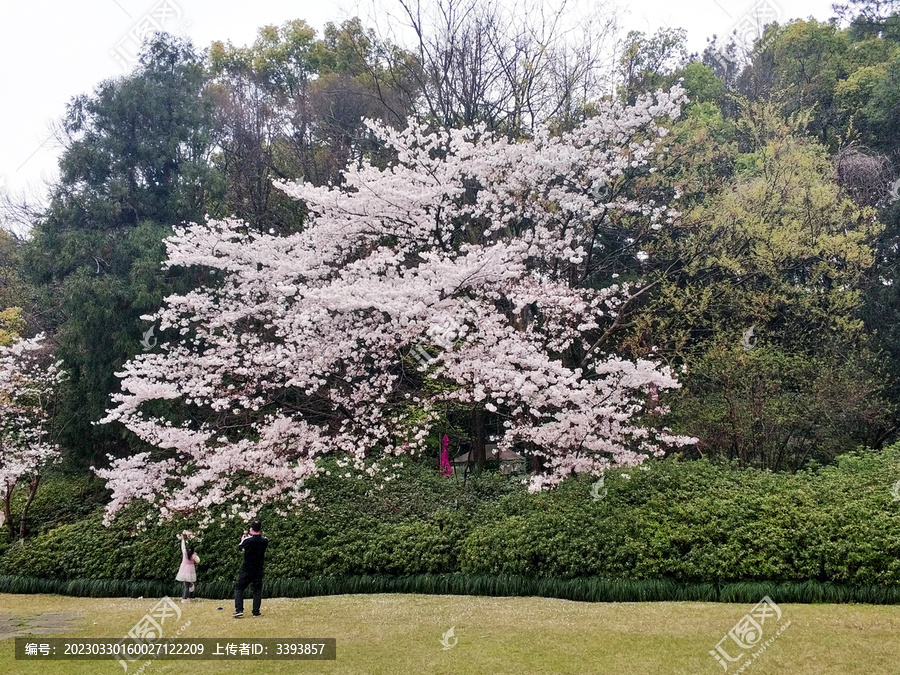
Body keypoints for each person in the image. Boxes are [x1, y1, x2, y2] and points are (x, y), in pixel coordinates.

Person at [233, 520, 268, 618]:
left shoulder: (247, 541)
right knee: (257, 590)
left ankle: (239, 609)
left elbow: (240, 547)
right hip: (258, 569)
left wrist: (243, 539)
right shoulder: (265, 541)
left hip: (247, 569)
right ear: (260, 529)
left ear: (251, 529)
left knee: (239, 588)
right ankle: (256, 612)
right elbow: (259, 540)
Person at [175, 532, 200, 603]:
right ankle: (184, 598)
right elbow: (198, 561)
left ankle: (186, 597)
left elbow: (182, 547)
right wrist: (195, 555)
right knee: (187, 585)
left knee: (186, 585)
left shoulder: (185, 553)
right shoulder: (193, 556)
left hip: (183, 570)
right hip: (190, 571)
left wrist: (182, 540)